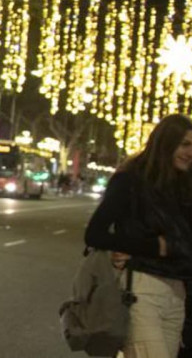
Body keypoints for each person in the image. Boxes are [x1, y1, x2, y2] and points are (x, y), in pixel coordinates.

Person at [85, 114, 192, 358]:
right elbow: (95, 234)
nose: (190, 152)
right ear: (166, 142)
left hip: (177, 295)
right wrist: (152, 247)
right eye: (184, 144)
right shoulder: (130, 180)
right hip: (142, 291)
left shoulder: (184, 186)